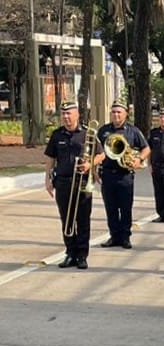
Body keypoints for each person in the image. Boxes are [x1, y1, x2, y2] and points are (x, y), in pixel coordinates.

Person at [44, 102, 105, 269]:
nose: (65, 117)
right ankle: (70, 253)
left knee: (83, 220)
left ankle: (82, 256)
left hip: (82, 182)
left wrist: (89, 164)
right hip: (63, 182)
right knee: (66, 220)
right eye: (63, 114)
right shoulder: (57, 135)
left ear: (77, 114)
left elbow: (101, 154)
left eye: (69, 113)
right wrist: (47, 179)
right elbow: (50, 158)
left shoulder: (88, 133)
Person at [97, 101, 150, 249]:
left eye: (119, 112)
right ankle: (114, 236)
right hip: (107, 174)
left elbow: (146, 148)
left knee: (126, 208)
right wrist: (95, 170)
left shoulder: (133, 131)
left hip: (125, 175)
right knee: (111, 207)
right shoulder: (103, 131)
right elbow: (96, 151)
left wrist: (139, 159)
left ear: (125, 113)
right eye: (113, 112)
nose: (116, 115)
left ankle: (125, 237)